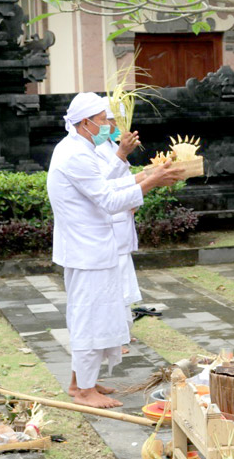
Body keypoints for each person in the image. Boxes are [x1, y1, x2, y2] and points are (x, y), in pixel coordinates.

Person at [47, 92, 183, 408]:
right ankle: (83, 391)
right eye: (104, 120)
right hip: (86, 251)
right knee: (89, 317)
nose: (109, 125)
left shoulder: (80, 148)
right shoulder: (75, 154)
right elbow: (109, 201)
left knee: (97, 315)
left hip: (93, 248)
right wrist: (151, 182)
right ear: (85, 123)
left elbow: (106, 185)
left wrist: (149, 175)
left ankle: (81, 382)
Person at [95, 98, 142, 354]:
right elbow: (101, 185)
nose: (113, 126)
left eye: (116, 121)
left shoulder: (110, 145)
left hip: (122, 224)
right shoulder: (93, 150)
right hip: (108, 227)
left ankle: (123, 332)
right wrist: (121, 154)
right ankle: (112, 339)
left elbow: (124, 181)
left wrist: (136, 196)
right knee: (111, 284)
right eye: (110, 121)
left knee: (123, 280)